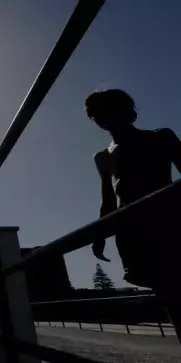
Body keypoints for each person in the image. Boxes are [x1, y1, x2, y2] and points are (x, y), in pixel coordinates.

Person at [86, 89, 181, 341]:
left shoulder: (161, 137)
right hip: (137, 235)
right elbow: (108, 200)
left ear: (128, 111)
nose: (105, 118)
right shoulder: (103, 157)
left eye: (112, 109)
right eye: (99, 114)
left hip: (172, 225)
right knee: (172, 296)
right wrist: (99, 236)